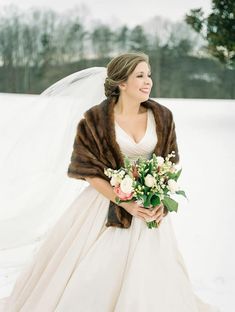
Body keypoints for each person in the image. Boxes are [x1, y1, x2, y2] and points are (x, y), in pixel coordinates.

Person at [2, 52, 220, 311]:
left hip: (149, 209)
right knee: (94, 271)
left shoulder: (163, 116)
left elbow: (169, 164)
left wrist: (161, 200)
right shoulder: (94, 120)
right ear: (121, 83)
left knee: (153, 278)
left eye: (149, 75)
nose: (148, 81)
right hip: (103, 205)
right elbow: (89, 171)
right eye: (140, 75)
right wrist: (124, 202)